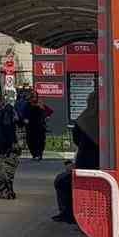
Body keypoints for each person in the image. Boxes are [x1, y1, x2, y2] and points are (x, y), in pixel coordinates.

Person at [55, 90, 99, 223]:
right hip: (102, 166)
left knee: (62, 181)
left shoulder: (84, 119)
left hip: (86, 166)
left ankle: (68, 214)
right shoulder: (108, 118)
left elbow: (76, 139)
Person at [25, 88, 54, 161]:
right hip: (30, 126)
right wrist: (24, 119)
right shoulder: (28, 104)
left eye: (35, 96)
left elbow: (49, 111)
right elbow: (23, 113)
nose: (34, 98)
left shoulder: (40, 103)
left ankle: (39, 154)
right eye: (33, 96)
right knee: (30, 140)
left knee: (40, 140)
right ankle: (34, 154)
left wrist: (47, 116)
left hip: (39, 125)